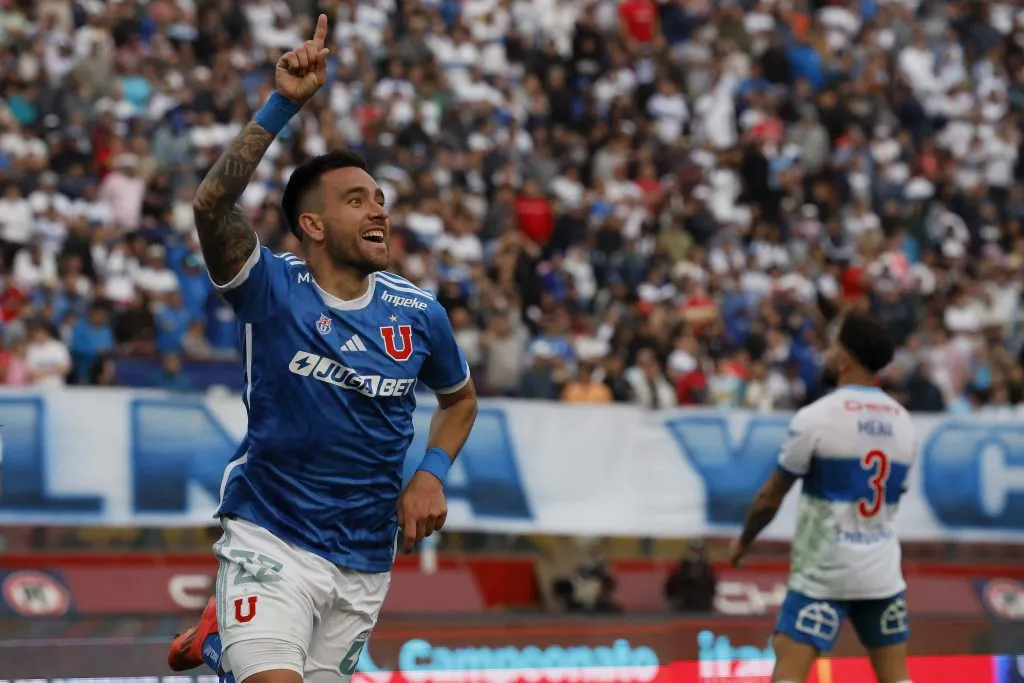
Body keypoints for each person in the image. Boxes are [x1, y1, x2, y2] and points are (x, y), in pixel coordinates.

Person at [166, 16, 478, 683]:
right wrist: (283, 103)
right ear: (311, 223)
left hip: (366, 557)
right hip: (269, 535)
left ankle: (221, 641)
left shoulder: (419, 314)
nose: (379, 212)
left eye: (382, 200)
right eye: (357, 199)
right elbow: (210, 207)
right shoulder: (273, 287)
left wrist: (431, 473)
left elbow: (460, 401)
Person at [728, 312, 916, 683]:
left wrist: (743, 542)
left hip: (824, 573)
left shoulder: (816, 417)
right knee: (896, 678)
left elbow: (770, 496)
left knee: (788, 671)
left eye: (832, 347)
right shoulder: (903, 422)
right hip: (881, 573)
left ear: (844, 359)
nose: (826, 355)